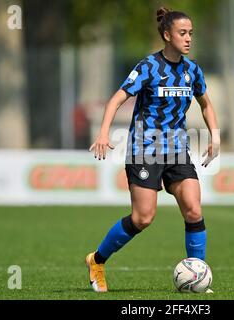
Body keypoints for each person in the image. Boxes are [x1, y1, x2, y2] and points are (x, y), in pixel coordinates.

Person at [86, 6, 220, 293]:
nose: (188, 39)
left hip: (177, 151)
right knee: (142, 218)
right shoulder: (148, 67)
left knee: (194, 211)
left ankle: (196, 276)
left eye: (191, 34)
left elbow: (206, 104)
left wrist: (215, 136)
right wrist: (103, 132)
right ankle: (97, 260)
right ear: (166, 34)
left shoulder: (191, 70)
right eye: (183, 33)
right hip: (144, 150)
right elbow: (115, 100)